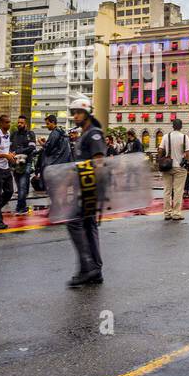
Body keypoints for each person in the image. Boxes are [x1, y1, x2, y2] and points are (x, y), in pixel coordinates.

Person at [65, 94, 109, 287]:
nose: (75, 116)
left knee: (74, 222)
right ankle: (95, 269)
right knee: (89, 227)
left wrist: (98, 191)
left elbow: (99, 161)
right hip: (84, 185)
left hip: (89, 187)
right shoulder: (84, 134)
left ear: (88, 113)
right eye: (74, 113)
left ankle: (87, 267)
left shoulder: (94, 133)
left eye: (79, 112)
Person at [159, 119, 189, 220]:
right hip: (180, 167)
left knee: (167, 190)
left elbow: (160, 150)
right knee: (178, 190)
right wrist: (186, 161)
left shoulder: (165, 136)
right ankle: (176, 213)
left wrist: (162, 159)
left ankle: (167, 213)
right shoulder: (185, 137)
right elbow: (188, 154)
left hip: (167, 166)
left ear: (172, 126)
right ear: (181, 126)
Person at [11, 115, 35, 215]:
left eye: (21, 123)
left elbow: (32, 148)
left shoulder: (30, 134)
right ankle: (22, 206)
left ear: (26, 124)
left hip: (27, 163)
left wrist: (18, 151)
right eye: (18, 122)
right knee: (20, 186)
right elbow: (10, 146)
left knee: (22, 185)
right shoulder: (14, 134)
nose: (19, 124)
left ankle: (19, 208)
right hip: (15, 163)